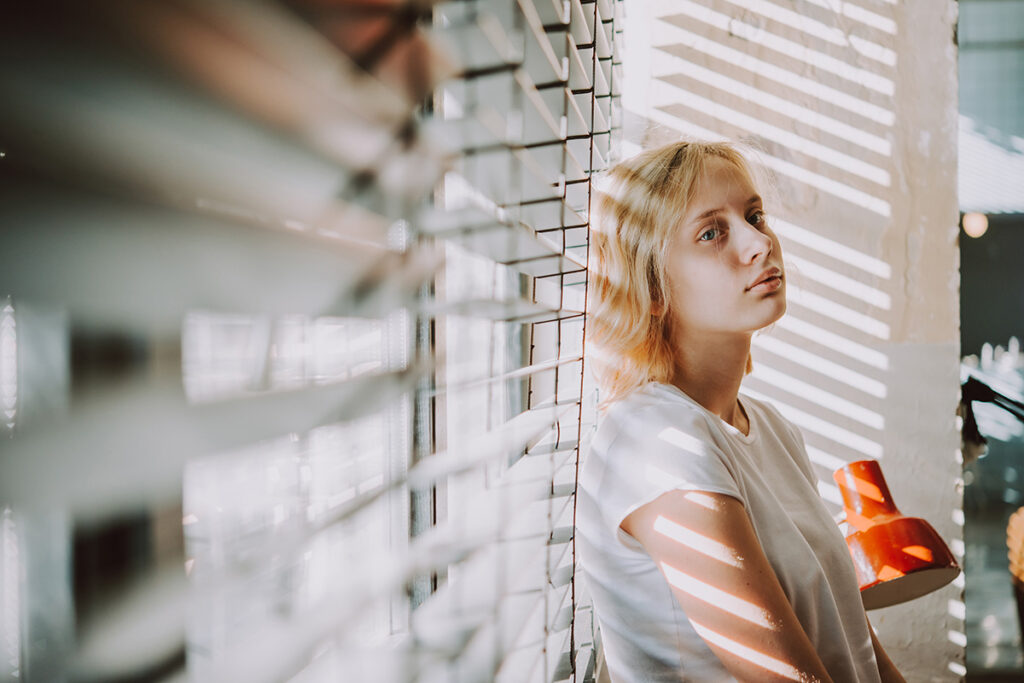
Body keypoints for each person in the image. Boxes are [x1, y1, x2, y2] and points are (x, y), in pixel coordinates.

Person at [577, 140, 905, 682]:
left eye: (754, 216)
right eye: (712, 232)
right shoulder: (656, 442)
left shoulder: (771, 429)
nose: (760, 243)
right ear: (651, 287)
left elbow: (853, 642)